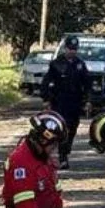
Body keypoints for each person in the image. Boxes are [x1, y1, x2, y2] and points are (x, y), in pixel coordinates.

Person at [1, 111, 74, 208]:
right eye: (53, 145)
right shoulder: (21, 162)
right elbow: (24, 204)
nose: (54, 149)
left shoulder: (43, 158)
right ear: (42, 139)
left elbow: (54, 190)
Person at [40, 35, 91, 170]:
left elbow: (87, 84)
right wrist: (46, 99)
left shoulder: (80, 64)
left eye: (75, 49)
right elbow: (46, 82)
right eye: (70, 49)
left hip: (75, 102)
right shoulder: (56, 64)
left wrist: (88, 101)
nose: (72, 51)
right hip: (59, 102)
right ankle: (61, 156)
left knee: (72, 129)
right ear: (65, 48)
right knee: (60, 129)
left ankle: (65, 152)